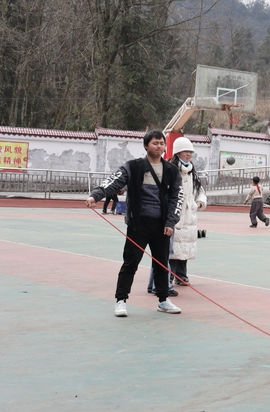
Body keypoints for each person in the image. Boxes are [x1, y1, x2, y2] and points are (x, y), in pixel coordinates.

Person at [86, 130, 184, 317]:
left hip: (162, 226)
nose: (159, 146)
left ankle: (163, 300)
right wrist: (95, 195)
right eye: (155, 143)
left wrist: (171, 222)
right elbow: (114, 182)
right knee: (130, 262)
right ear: (146, 146)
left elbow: (177, 198)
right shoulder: (133, 166)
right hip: (138, 224)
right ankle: (120, 301)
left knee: (162, 264)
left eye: (162, 143)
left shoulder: (172, 171)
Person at [148, 137, 206, 296]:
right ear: (178, 152)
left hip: (189, 216)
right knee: (169, 249)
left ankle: (180, 275)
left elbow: (200, 191)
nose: (189, 155)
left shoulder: (192, 172)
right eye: (186, 151)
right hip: (173, 215)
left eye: (191, 152)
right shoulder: (170, 170)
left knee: (184, 247)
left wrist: (199, 203)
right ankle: (162, 282)